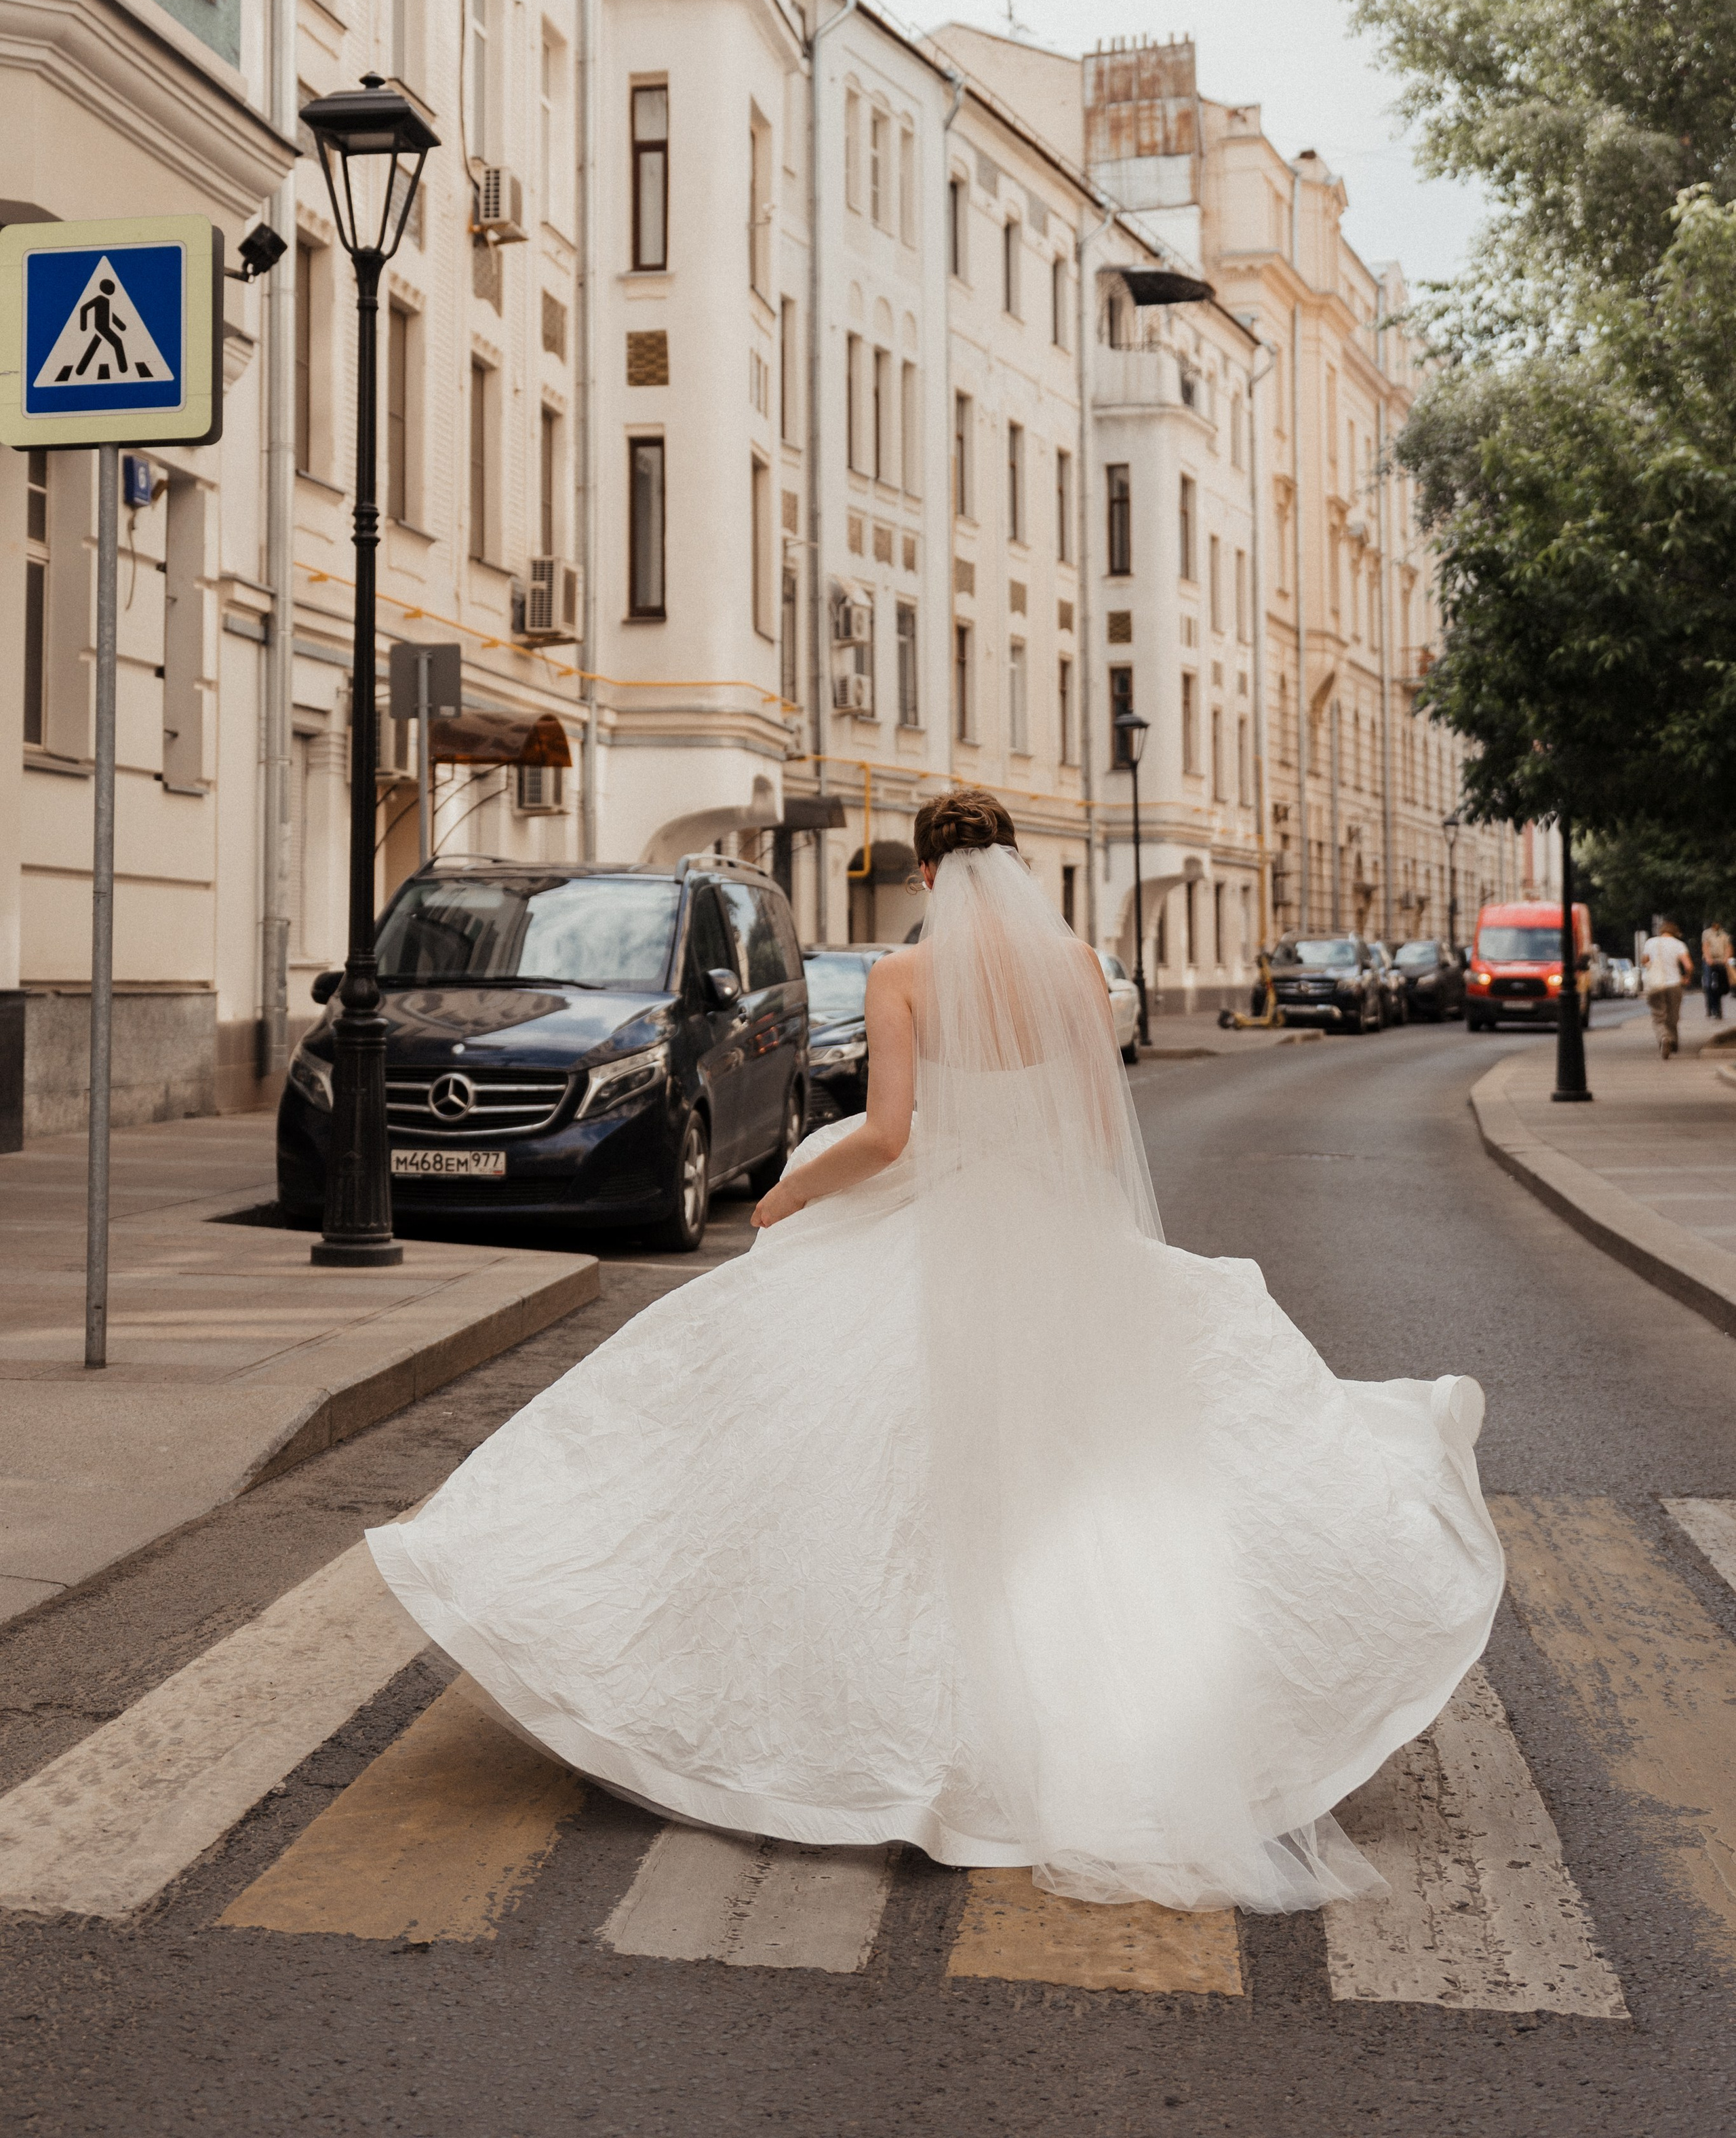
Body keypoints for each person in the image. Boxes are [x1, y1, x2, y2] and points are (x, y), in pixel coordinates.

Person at [368, 790, 1503, 1914]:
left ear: (925, 874)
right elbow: (1097, 1134)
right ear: (1018, 866)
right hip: (1054, 1230)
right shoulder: (1076, 968)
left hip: (938, 1223)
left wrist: (789, 1194)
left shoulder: (904, 976)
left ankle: (884, 1724)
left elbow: (886, 1136)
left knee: (841, 1459)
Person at [1641, 920, 1695, 1057]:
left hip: (1655, 985)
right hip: (1674, 984)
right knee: (1673, 1016)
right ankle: (1674, 1042)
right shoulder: (1678, 944)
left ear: (1662, 931)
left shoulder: (1650, 943)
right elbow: (1689, 966)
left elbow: (1644, 961)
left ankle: (1664, 1038)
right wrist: (1687, 977)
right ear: (1675, 933)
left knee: (1658, 1017)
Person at [1701, 918, 1732, 1023]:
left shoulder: (1724, 934)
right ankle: (1711, 1008)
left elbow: (1728, 947)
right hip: (1710, 961)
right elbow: (1705, 946)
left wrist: (1726, 959)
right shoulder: (1707, 933)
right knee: (1709, 985)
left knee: (1721, 987)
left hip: (1721, 961)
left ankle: (1718, 1008)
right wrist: (1708, 959)